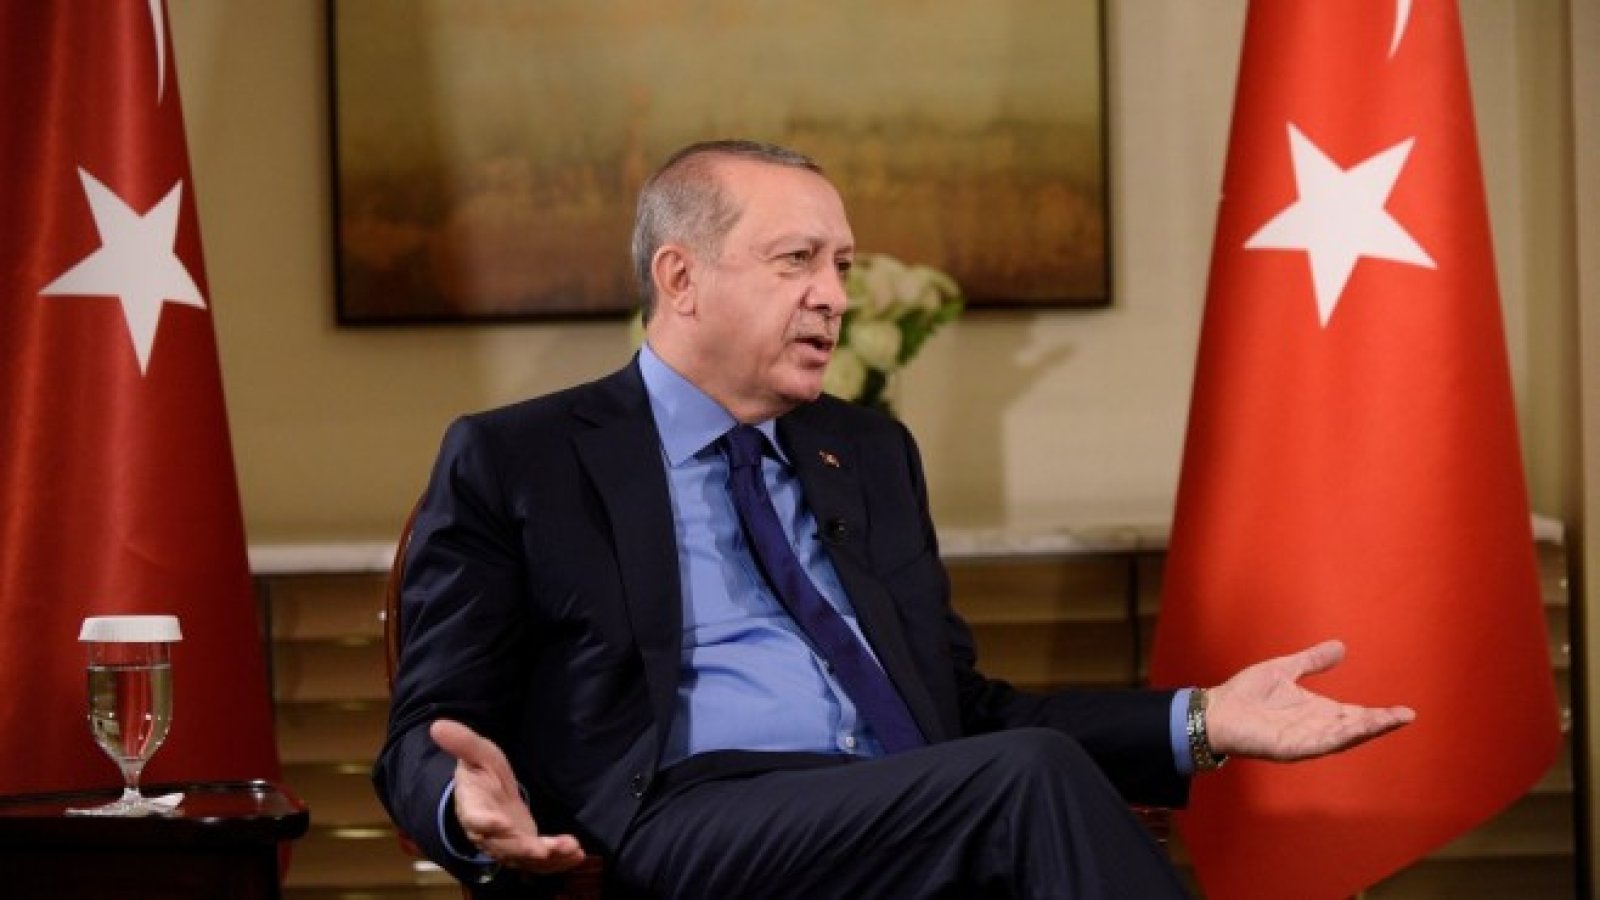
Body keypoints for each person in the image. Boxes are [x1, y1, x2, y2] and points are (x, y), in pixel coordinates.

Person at [373, 139, 1415, 898]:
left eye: (842, 265)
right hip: (687, 817)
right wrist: (464, 809)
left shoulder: (865, 452)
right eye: (797, 261)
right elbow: (431, 720)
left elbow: (962, 710)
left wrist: (1201, 720)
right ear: (680, 278)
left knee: (1017, 785)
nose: (834, 296)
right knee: (1026, 786)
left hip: (905, 802)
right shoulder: (521, 457)